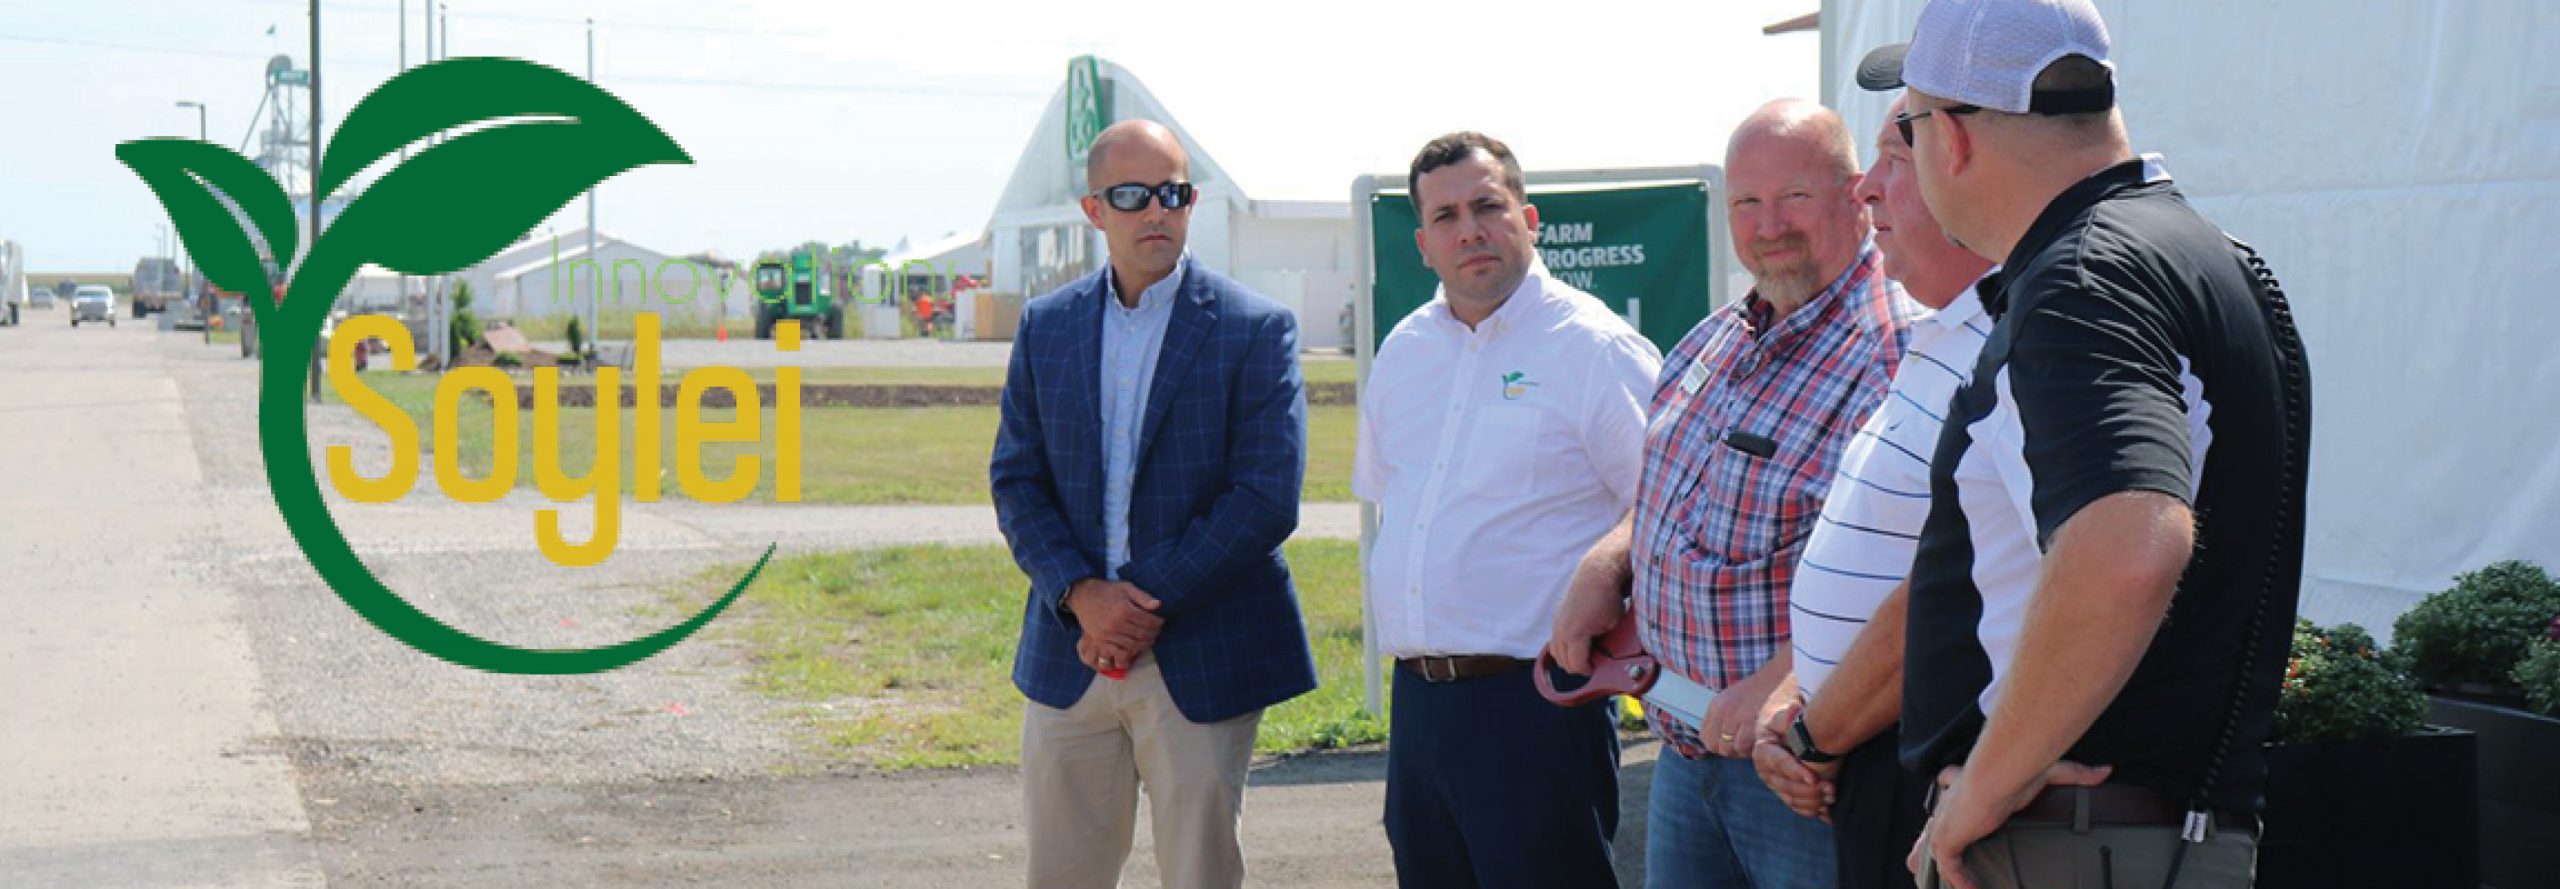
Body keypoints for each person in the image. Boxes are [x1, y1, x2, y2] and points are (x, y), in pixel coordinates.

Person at [1863, 1, 2313, 885]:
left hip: (2073, 842)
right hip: (2144, 835)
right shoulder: (2209, 256)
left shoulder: (2081, 278)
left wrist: (1984, 789)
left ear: (1951, 138)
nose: (1906, 162)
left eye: (1907, 132)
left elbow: (2130, 541)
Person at [1547, 98, 1922, 889]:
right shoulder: (1712, 339)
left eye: (1794, 196)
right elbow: (1670, 494)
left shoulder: (1895, 353)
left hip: (1803, 769)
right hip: (1684, 752)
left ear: (1855, 194)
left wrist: (1779, 684)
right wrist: (1608, 564)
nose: (1768, 224)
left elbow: (1911, 577)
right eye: (1747, 202)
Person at [990, 118, 1318, 889]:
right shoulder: (1047, 326)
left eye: (1172, 193)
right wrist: (1082, 594)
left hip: (1198, 654)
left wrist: (1136, 603)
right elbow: (1016, 479)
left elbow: (1266, 495)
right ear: (1094, 209)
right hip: (1070, 653)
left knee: (1200, 874)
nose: (1156, 212)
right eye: (1133, 195)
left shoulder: (1254, 328)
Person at [1355, 132, 1662, 888]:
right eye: (1448, 215)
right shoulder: (1404, 351)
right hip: (1420, 707)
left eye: (1488, 206)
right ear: (1423, 243)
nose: (1471, 229)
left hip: (1537, 705)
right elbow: (1394, 500)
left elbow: (1665, 503)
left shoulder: (1593, 345)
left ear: (1528, 217)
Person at [1748, 95, 1996, 889]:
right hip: (1862, 762)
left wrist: (1811, 736)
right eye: (1746, 200)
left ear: (1969, 168)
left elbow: (1943, 595)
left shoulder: (2005, 346)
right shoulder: (1941, 334)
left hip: (1929, 770)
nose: (1868, 190)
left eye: (1897, 158)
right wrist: (1798, 697)